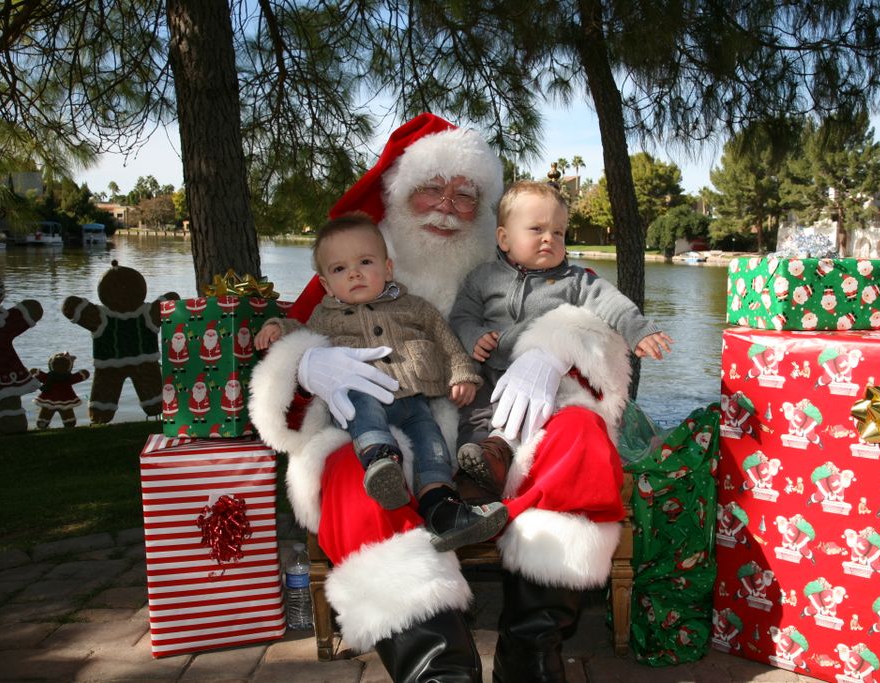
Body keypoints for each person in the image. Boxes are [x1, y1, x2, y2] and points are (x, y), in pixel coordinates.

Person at [249, 113, 633, 683]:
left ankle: (530, 655)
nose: (446, 207)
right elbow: (290, 338)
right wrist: (307, 361)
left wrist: (553, 347)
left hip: (506, 430)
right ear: (399, 195)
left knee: (581, 438)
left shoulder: (532, 270)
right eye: (431, 188)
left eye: (465, 195)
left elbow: (611, 348)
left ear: (492, 216)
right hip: (389, 430)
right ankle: (438, 670)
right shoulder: (357, 263)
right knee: (350, 473)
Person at [253, 215, 506, 552]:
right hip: (364, 398)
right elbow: (300, 331)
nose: (354, 273)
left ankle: (442, 507)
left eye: (365, 262)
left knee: (432, 448)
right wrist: (277, 328)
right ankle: (380, 459)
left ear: (387, 269)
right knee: (360, 400)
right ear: (326, 285)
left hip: (414, 403)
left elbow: (447, 342)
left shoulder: (416, 308)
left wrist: (462, 373)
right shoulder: (325, 315)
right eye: (340, 269)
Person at [450, 180, 672, 498]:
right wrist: (474, 336)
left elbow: (613, 305)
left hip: (548, 382)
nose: (548, 239)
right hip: (490, 372)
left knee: (539, 416)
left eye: (558, 233)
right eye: (536, 229)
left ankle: (499, 455)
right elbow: (461, 316)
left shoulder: (575, 281)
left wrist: (637, 329)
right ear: (504, 238)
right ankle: (475, 475)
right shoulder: (484, 278)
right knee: (474, 415)